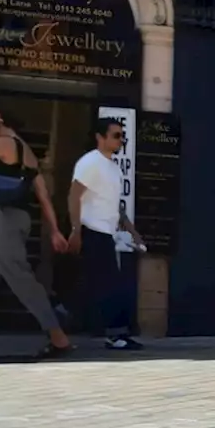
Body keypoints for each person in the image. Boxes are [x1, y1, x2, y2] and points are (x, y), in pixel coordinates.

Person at [0, 110, 72, 358]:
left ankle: (58, 336)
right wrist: (55, 230)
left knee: (19, 277)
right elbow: (43, 196)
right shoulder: (27, 153)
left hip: (1, 217)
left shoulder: (4, 144)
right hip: (13, 219)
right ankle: (57, 334)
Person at [68, 117, 144, 351]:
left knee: (93, 285)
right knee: (110, 285)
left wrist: (132, 231)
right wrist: (75, 230)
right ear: (100, 137)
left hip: (106, 233)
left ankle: (64, 321)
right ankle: (115, 334)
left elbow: (114, 204)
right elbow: (74, 196)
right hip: (92, 231)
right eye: (116, 135)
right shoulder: (89, 163)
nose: (121, 140)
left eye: (122, 136)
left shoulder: (112, 167)